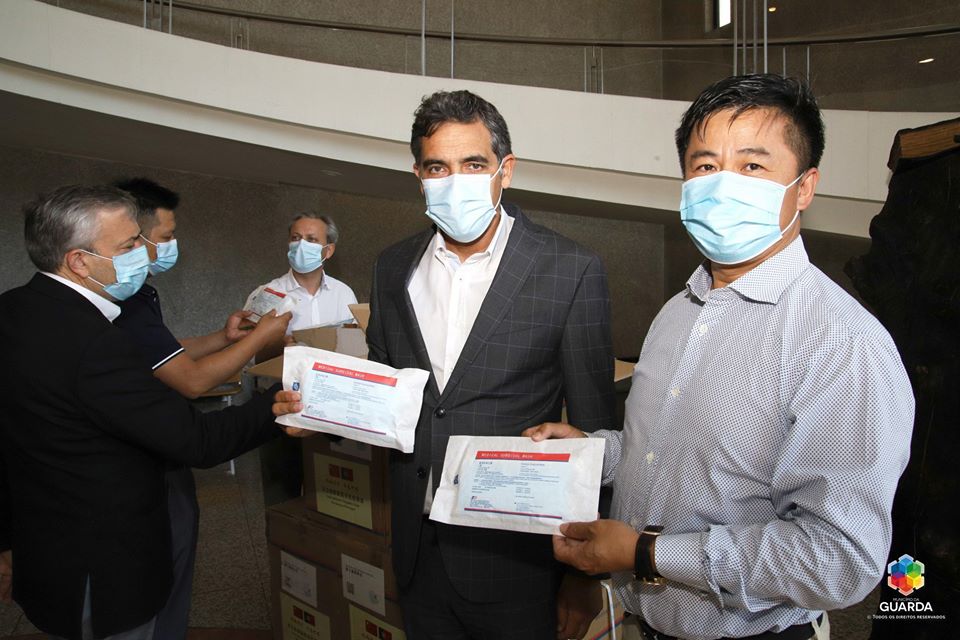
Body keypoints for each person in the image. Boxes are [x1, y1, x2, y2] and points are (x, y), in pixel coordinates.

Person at [527, 74, 915, 640]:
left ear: (804, 188)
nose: (724, 184)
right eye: (705, 165)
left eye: (752, 165)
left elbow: (838, 557)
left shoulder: (842, 343)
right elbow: (662, 453)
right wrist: (592, 452)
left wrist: (647, 553)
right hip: (646, 624)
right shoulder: (678, 312)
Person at [0, 185, 304, 640]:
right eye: (127, 246)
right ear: (79, 261)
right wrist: (282, 397)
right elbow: (199, 441)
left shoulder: (13, 309)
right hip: (102, 566)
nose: (141, 254)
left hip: (44, 552)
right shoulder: (94, 342)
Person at [366, 89, 615, 640]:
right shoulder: (392, 267)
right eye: (438, 167)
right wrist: (316, 412)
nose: (455, 181)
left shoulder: (570, 269)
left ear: (506, 170)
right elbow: (386, 393)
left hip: (516, 562)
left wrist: (584, 576)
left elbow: (596, 433)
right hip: (416, 551)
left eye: (474, 164)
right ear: (418, 176)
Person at [112, 177, 291, 639]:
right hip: (144, 465)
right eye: (167, 236)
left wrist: (224, 338)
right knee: (157, 577)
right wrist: (260, 339)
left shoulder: (139, 295)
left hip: (156, 459)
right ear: (134, 239)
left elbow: (166, 353)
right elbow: (191, 381)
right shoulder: (122, 301)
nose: (174, 246)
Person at [244, 212, 358, 333]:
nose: (301, 245)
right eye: (295, 238)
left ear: (329, 250)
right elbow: (247, 342)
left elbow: (356, 339)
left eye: (311, 239)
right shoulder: (267, 293)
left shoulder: (343, 294)